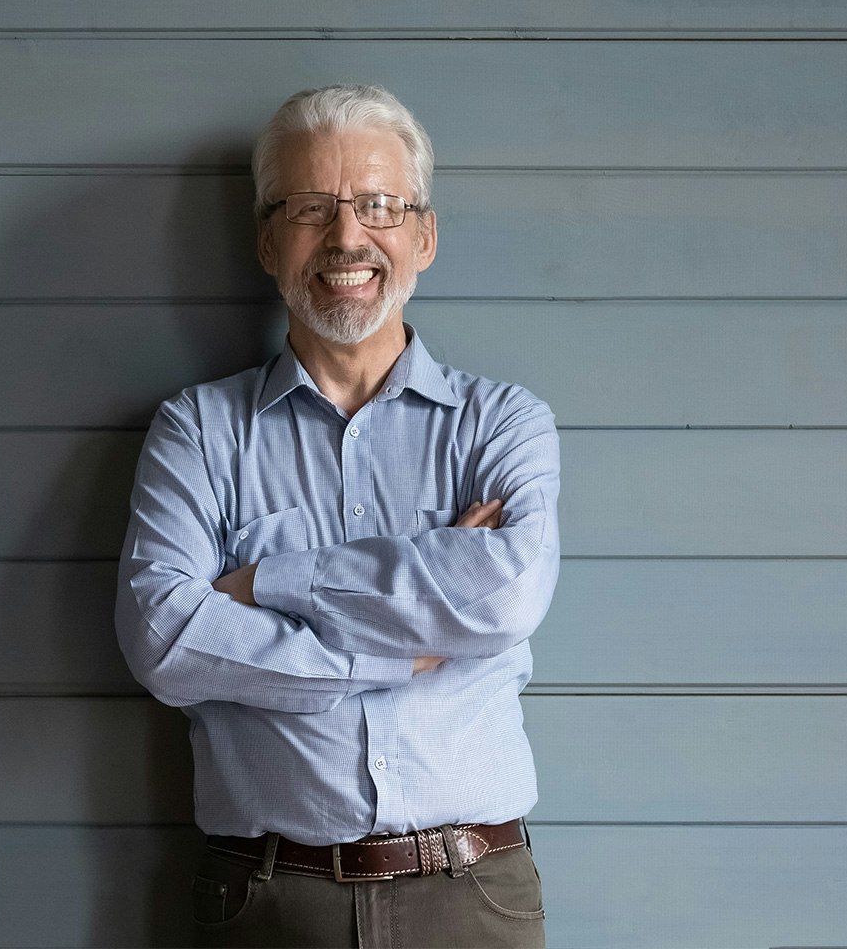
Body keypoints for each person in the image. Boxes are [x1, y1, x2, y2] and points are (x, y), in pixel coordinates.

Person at [116, 84, 560, 949]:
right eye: (311, 208)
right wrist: (394, 647)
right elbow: (163, 636)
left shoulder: (503, 424)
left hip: (472, 896)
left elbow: (505, 597)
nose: (349, 237)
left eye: (380, 206)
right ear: (267, 242)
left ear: (424, 237)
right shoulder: (198, 433)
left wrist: (261, 587)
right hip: (266, 897)